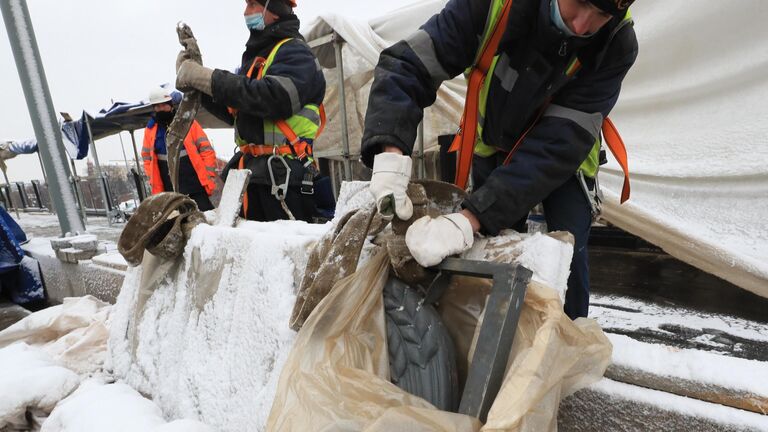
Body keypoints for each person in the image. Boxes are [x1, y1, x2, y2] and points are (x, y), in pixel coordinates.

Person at [362, 0, 639, 319]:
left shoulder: (617, 41)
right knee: (491, 250)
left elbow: (557, 144)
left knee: (567, 256)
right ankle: (493, 333)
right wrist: (389, 152)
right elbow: (409, 64)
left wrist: (471, 218)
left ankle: (567, 339)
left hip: (564, 157)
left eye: (601, 15)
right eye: (578, 2)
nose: (580, 26)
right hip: (494, 144)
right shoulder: (492, 4)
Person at [175, 0, 326, 222]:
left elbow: (274, 98)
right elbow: (238, 110)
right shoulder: (259, 57)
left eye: (253, 5)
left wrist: (210, 78)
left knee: (280, 251)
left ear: (273, 9)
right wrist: (198, 85)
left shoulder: (295, 52)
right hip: (254, 176)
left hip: (284, 177)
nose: (246, 12)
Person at [141, 87, 218, 211]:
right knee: (178, 221)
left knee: (204, 215)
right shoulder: (150, 130)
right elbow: (146, 157)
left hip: (194, 183)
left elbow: (206, 149)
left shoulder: (187, 123)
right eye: (157, 106)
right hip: (168, 187)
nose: (161, 109)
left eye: (163, 105)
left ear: (170, 105)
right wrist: (153, 178)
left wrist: (208, 174)